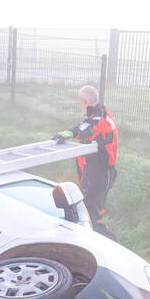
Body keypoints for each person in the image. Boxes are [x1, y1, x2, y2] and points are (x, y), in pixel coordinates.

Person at [51, 85, 119, 238]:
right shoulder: (101, 112)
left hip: (100, 174)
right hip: (95, 172)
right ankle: (88, 239)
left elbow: (88, 128)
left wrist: (69, 133)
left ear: (83, 101)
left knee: (90, 213)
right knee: (86, 210)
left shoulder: (100, 121)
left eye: (80, 102)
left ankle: (109, 245)